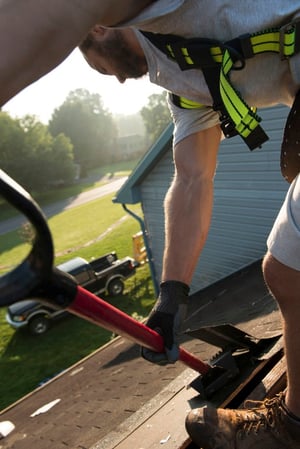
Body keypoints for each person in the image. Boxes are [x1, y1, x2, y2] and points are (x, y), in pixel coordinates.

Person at [0, 1, 300, 448]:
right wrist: (170, 298)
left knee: (286, 271)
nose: (120, 79)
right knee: (289, 272)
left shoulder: (156, 10)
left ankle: (291, 429)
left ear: (99, 26)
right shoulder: (182, 79)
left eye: (103, 68)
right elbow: (192, 178)